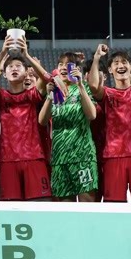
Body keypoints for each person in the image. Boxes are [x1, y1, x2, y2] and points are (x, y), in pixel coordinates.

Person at [0, 35, 52, 201]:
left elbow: (46, 79)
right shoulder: (1, 97)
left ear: (26, 72)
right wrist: (1, 56)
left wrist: (27, 55)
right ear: (5, 74)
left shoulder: (33, 95)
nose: (14, 68)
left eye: (18, 66)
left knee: (41, 205)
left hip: (34, 157)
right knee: (11, 208)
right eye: (10, 67)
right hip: (8, 159)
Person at [88, 43, 131, 202]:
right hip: (114, 156)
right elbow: (93, 86)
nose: (120, 65)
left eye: (124, 62)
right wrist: (97, 58)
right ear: (110, 70)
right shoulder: (108, 93)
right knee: (114, 205)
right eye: (116, 63)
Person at [40, 55, 98, 202]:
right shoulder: (55, 91)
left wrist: (80, 85)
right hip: (60, 157)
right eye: (60, 64)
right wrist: (49, 96)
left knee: (87, 203)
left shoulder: (82, 89)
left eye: (68, 64)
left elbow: (91, 115)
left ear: (76, 69)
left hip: (83, 156)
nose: (63, 67)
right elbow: (42, 121)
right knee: (65, 207)